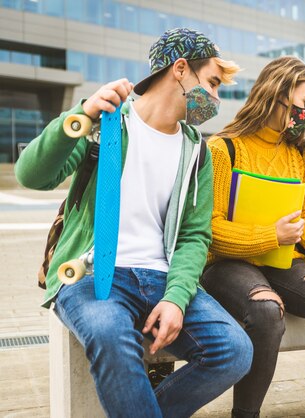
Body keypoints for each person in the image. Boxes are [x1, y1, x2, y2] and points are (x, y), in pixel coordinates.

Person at [15, 28, 253, 417]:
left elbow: (194, 235)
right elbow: (32, 176)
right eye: (211, 82)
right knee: (110, 335)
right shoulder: (105, 121)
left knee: (234, 350)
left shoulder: (197, 151)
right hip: (94, 274)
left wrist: (176, 298)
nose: (214, 98)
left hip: (160, 277)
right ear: (180, 69)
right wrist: (81, 114)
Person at [200, 56, 305, 418]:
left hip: (283, 259)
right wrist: (270, 234)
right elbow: (208, 231)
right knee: (266, 311)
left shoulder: (298, 152)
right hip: (228, 264)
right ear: (276, 94)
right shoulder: (223, 149)